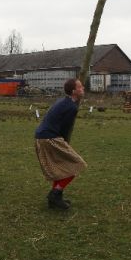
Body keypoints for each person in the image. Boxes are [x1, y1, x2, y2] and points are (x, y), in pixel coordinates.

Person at [34, 78, 87, 209]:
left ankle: (56, 198)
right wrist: (65, 144)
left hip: (42, 137)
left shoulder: (64, 101)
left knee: (60, 168)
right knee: (75, 165)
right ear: (74, 91)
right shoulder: (71, 107)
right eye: (80, 87)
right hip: (49, 138)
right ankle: (54, 194)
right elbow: (65, 128)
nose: (83, 88)